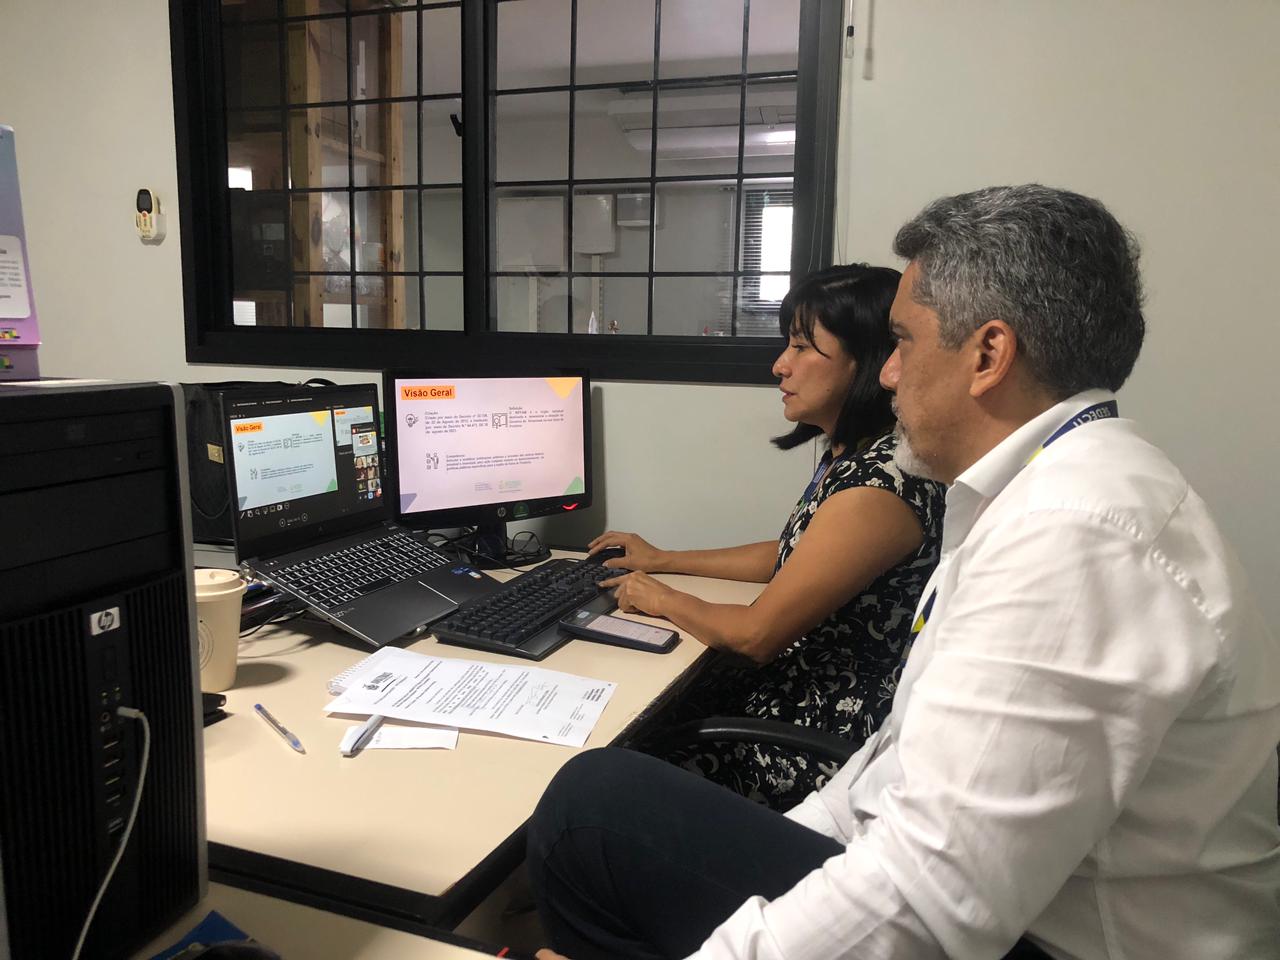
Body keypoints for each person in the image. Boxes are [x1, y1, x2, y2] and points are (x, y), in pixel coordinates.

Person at [527, 185, 1280, 960]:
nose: (886, 375)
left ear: (988, 356)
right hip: (1011, 902)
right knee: (602, 797)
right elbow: (889, 770)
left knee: (592, 812)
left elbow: (930, 900)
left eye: (902, 342)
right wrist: (784, 852)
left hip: (1055, 942)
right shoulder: (1045, 490)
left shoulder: (1075, 536)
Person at [589, 264, 945, 808]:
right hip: (788, 693)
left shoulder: (878, 486)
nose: (781, 364)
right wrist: (662, 558)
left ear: (866, 361)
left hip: (812, 730)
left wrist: (660, 598)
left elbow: (756, 636)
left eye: (802, 347)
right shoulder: (855, 455)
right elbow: (789, 554)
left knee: (612, 756)